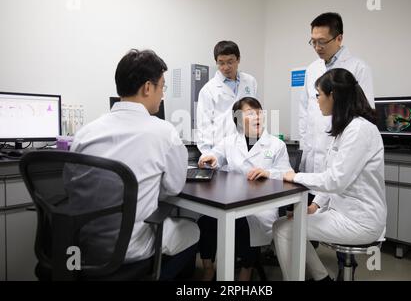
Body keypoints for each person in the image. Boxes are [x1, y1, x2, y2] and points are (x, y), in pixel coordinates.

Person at [70, 49, 200, 280]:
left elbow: (72, 186)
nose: (162, 95)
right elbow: (174, 187)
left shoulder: (84, 133)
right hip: (130, 249)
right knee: (193, 230)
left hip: (82, 246)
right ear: (148, 88)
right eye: (162, 87)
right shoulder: (164, 132)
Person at [274, 68, 386, 281]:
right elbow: (334, 175)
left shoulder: (359, 130)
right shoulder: (346, 129)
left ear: (333, 95)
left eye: (318, 95)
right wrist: (314, 206)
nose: (317, 101)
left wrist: (294, 176)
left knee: (284, 230)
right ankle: (322, 278)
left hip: (360, 220)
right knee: (285, 224)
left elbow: (335, 180)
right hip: (343, 212)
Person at [298, 12, 375, 277]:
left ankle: (345, 268)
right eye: (313, 42)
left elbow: (364, 111)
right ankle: (318, 271)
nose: (318, 47)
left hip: (345, 154)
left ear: (339, 38)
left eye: (323, 41)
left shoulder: (358, 68)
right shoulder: (311, 70)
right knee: (311, 214)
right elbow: (305, 113)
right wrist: (306, 148)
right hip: (315, 153)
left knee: (343, 210)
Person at [198, 97, 293, 281]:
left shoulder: (276, 145)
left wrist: (267, 172)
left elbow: (287, 174)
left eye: (259, 112)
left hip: (261, 206)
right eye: (250, 114)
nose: (257, 117)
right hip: (231, 202)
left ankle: (245, 271)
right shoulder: (229, 141)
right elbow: (216, 155)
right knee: (207, 221)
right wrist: (210, 158)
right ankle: (208, 269)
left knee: (245, 225)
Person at [196, 40, 257, 155]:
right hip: (221, 150)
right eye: (221, 63)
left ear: (238, 59)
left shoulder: (250, 81)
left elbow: (254, 115)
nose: (226, 67)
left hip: (247, 147)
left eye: (230, 62)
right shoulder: (208, 89)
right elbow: (204, 126)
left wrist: (254, 145)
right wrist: (208, 154)